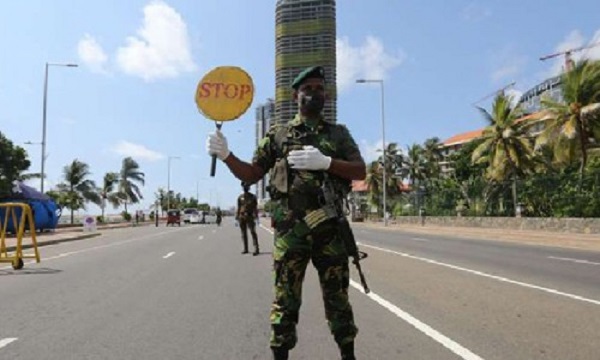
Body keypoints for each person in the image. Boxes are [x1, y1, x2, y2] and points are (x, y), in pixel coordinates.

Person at [206, 65, 366, 360]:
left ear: (326, 95)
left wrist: (327, 162)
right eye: (308, 89)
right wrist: (226, 156)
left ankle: (348, 355)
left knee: (338, 300)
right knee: (285, 302)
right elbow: (252, 174)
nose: (314, 93)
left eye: (319, 88)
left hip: (330, 232)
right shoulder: (278, 135)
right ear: (296, 95)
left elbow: (359, 170)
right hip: (290, 234)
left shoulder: (338, 134)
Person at [236, 182, 259, 255]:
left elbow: (255, 207)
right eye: (244, 186)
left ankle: (256, 249)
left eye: (246, 186)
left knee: (252, 232)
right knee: (243, 233)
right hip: (242, 216)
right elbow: (239, 207)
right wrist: (237, 216)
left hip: (250, 216)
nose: (245, 187)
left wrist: (256, 216)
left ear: (249, 187)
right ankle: (245, 248)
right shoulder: (240, 197)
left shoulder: (253, 197)